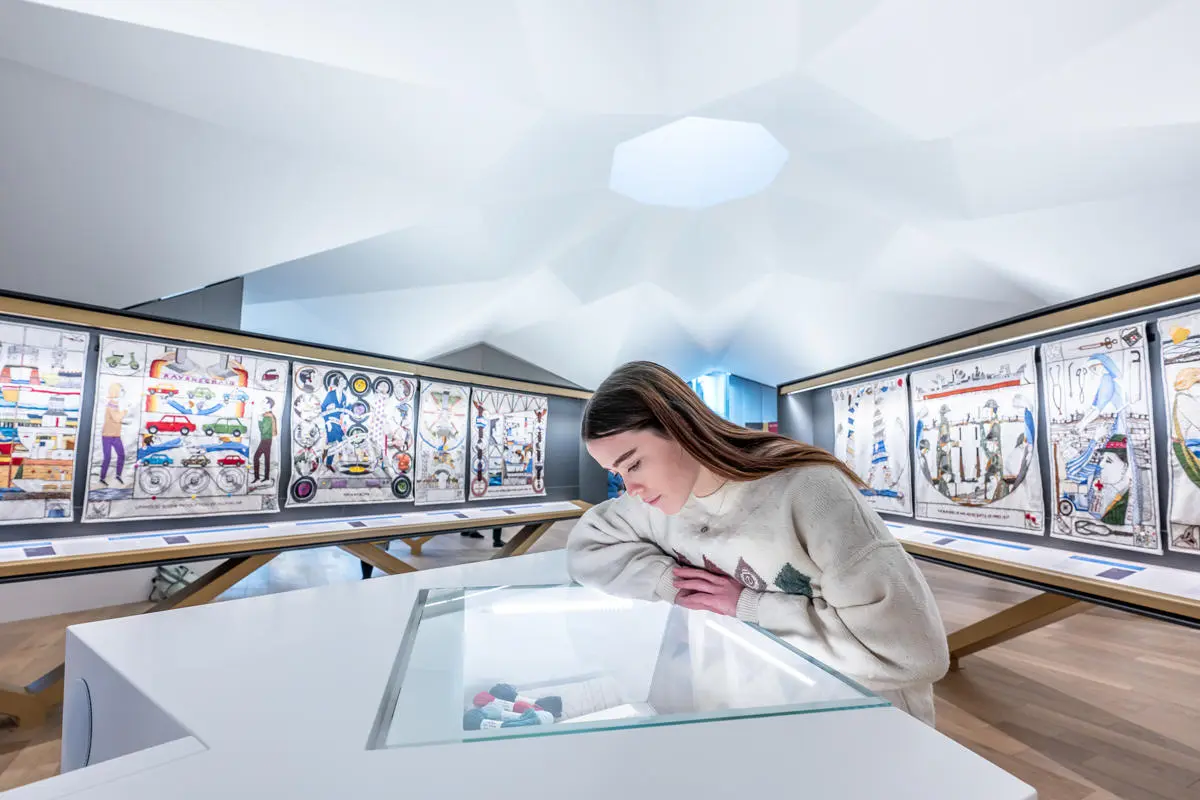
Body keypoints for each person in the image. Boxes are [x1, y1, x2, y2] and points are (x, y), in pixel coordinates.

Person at [566, 361, 950, 727]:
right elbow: (588, 546)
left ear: (679, 427)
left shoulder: (809, 490)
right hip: (757, 714)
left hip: (861, 724)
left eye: (634, 465)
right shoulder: (654, 503)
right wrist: (675, 583)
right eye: (617, 473)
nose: (629, 488)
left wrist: (747, 606)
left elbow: (913, 654)